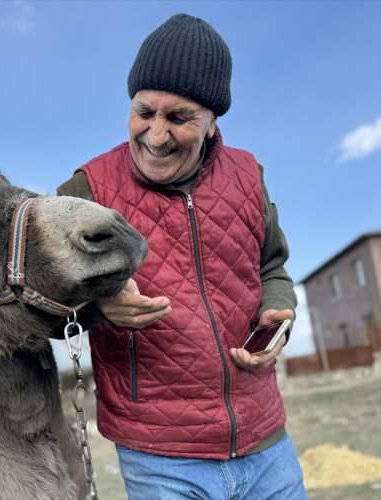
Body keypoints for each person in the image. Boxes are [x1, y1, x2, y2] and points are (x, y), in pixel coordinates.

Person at [58, 13, 307, 500]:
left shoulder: (248, 176)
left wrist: (281, 311)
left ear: (213, 122)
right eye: (143, 112)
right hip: (159, 454)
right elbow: (42, 303)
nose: (154, 136)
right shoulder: (85, 191)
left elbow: (271, 266)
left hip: (265, 441)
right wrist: (98, 305)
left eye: (178, 118)